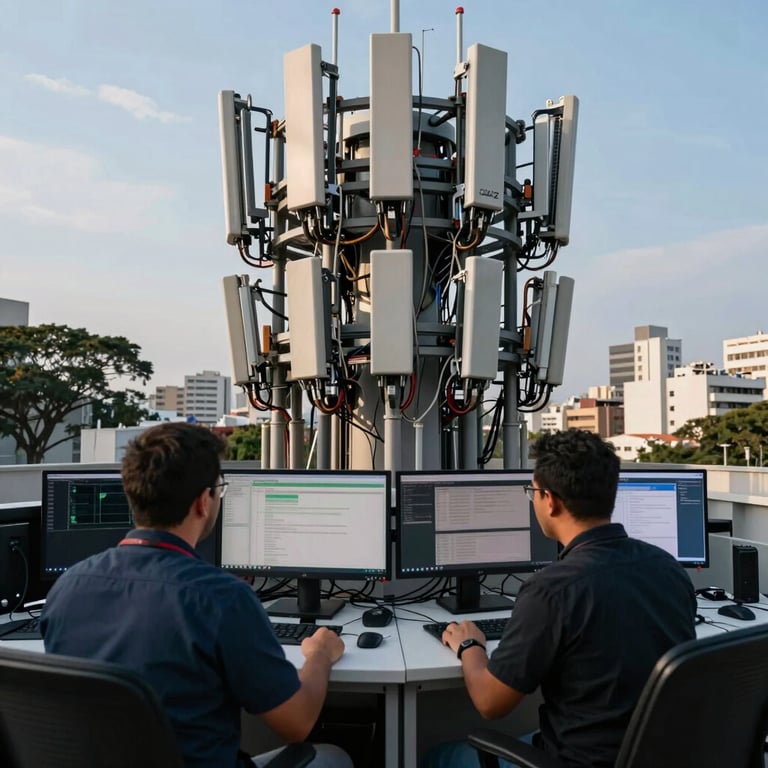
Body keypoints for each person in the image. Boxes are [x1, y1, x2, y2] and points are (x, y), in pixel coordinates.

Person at [41, 422, 352, 768]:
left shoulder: (67, 588)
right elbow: (297, 723)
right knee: (332, 757)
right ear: (204, 502)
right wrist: (320, 655)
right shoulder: (222, 599)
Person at [426, 429, 697, 768]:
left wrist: (471, 647)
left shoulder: (550, 591)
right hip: (656, 755)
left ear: (550, 501)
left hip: (579, 760)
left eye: (533, 493)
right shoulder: (669, 569)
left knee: (440, 758)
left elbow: (490, 703)